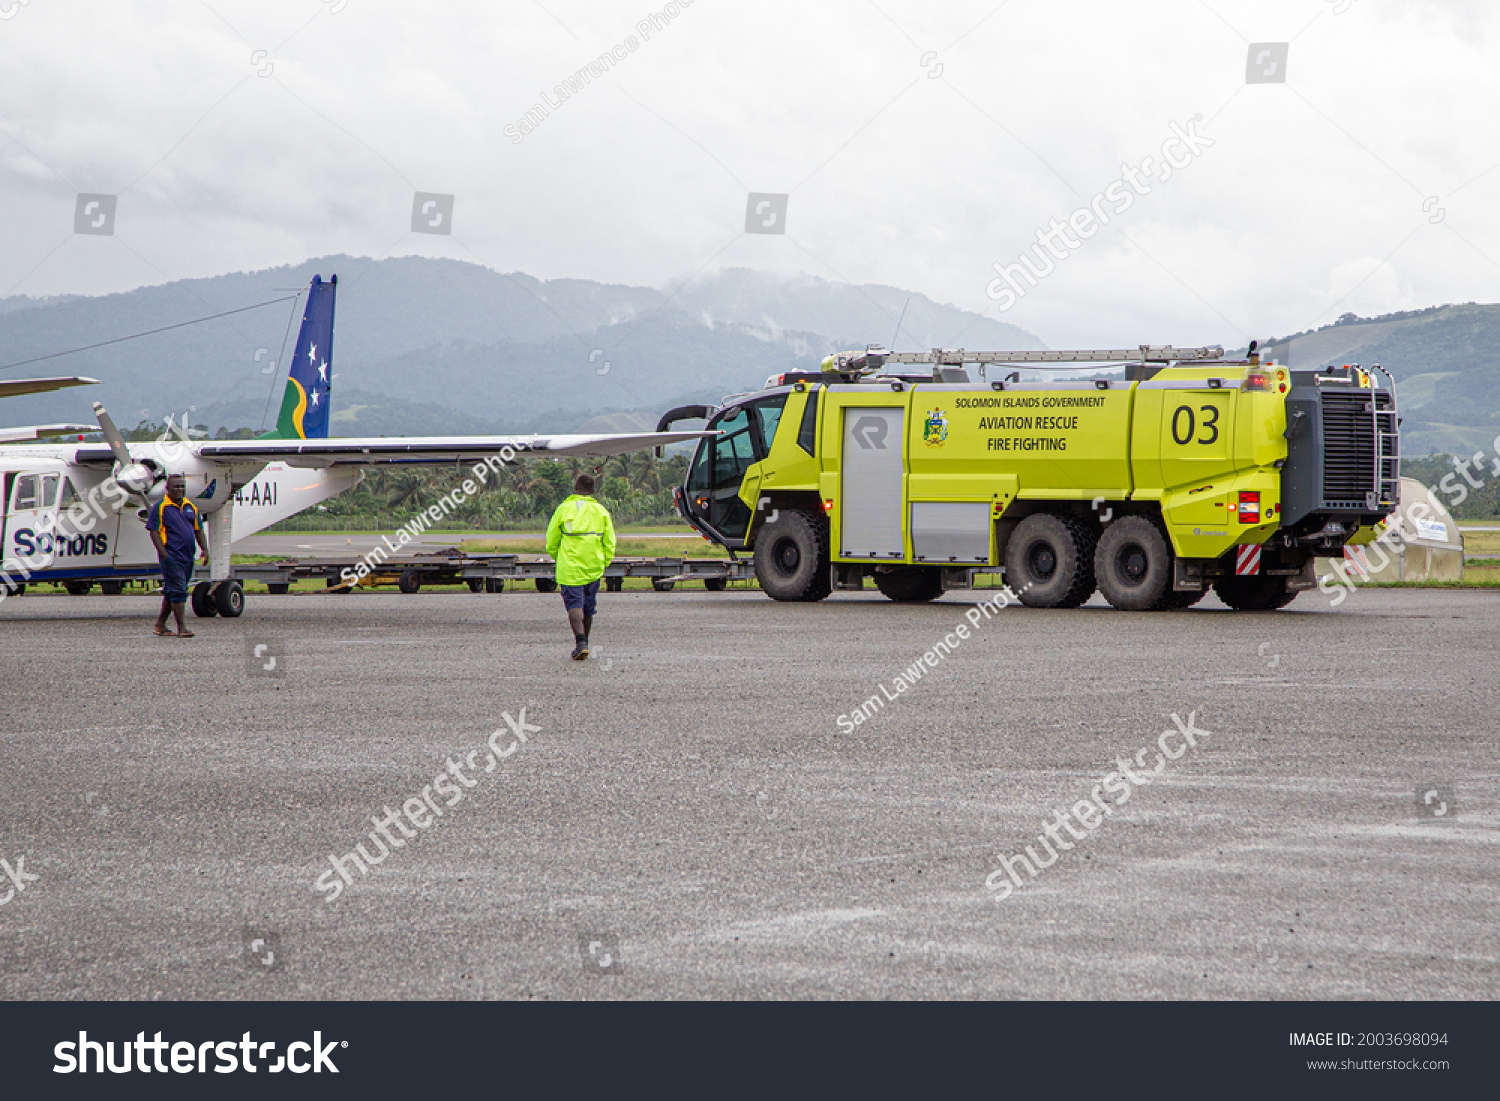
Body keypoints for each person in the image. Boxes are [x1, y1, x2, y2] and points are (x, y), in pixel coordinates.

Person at [545, 473, 616, 660]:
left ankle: (580, 643)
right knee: (588, 607)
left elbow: (551, 540)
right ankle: (585, 643)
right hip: (593, 566)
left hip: (570, 567)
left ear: (575, 488)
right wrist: (604, 561)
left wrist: (558, 556)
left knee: (574, 605)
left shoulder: (563, 509)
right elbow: (609, 541)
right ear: (593, 491)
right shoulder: (601, 511)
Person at [147, 474, 209, 638]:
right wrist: (164, 554)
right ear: (167, 488)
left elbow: (198, 530)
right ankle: (182, 627)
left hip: (188, 556)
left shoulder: (191, 507)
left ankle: (160, 625)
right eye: (176, 486)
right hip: (172, 556)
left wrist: (204, 549)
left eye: (182, 486)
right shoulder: (160, 507)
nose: (180, 489)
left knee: (172, 591)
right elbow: (154, 531)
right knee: (179, 591)